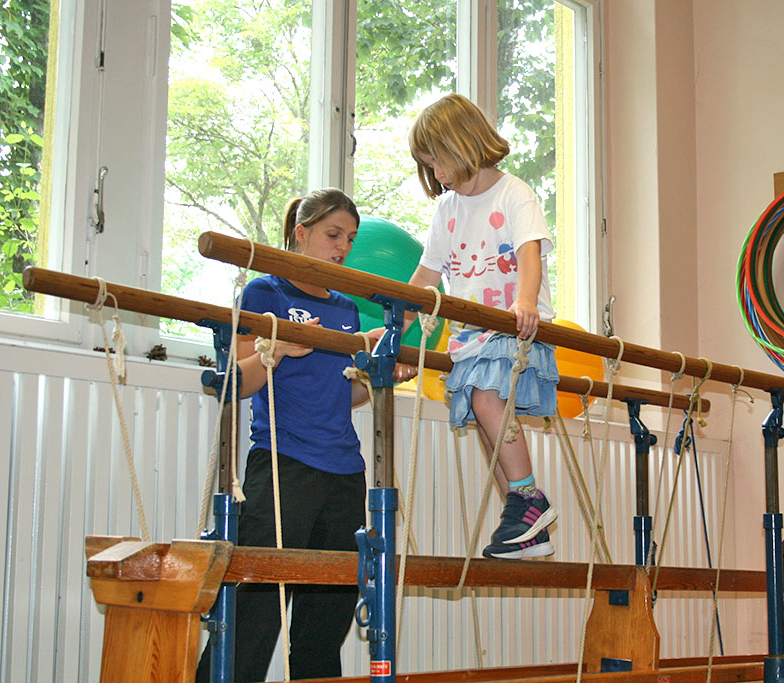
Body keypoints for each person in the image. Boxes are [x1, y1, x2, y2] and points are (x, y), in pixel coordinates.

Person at [195, 188, 414, 681]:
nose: (343, 247)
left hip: (343, 473)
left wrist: (379, 377)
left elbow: (345, 396)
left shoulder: (345, 306)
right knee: (255, 612)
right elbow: (236, 383)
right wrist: (279, 346)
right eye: (334, 234)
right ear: (302, 233)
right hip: (282, 463)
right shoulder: (264, 293)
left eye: (351, 239)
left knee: (325, 619)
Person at [405, 93, 559, 559]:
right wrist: (401, 320)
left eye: (438, 162)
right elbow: (427, 277)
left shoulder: (514, 193)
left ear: (462, 143)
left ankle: (530, 497)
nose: (438, 176)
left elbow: (529, 252)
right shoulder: (447, 210)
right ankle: (525, 521)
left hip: (515, 327)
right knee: (482, 417)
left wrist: (526, 300)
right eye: (428, 167)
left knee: (487, 397)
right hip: (472, 337)